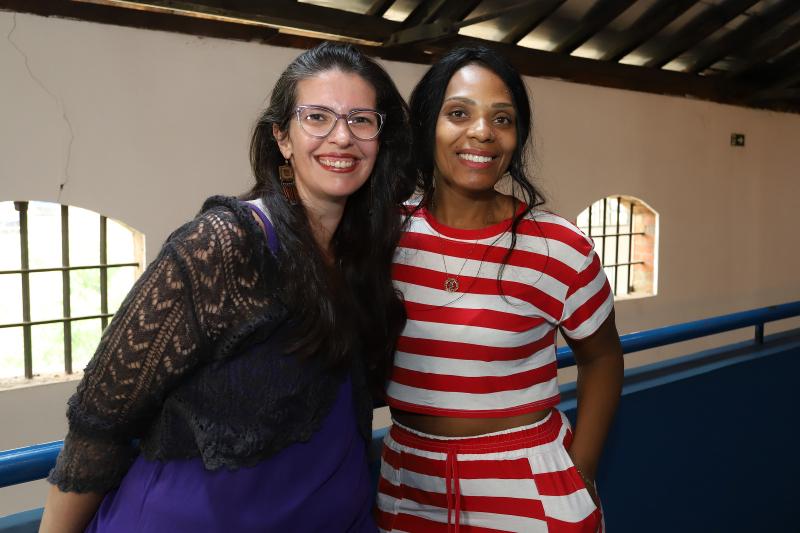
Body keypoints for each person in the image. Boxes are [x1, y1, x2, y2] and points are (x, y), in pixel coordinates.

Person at [40, 41, 413, 533]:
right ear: (282, 138)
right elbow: (100, 418)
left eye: (361, 120)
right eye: (317, 117)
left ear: (380, 138)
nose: (341, 137)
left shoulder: (366, 253)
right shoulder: (224, 243)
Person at [375, 46, 624, 532]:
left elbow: (603, 357)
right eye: (459, 113)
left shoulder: (559, 247)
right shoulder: (385, 234)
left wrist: (584, 468)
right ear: (427, 125)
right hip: (408, 483)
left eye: (502, 118)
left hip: (528, 487)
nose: (482, 132)